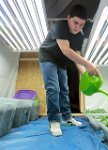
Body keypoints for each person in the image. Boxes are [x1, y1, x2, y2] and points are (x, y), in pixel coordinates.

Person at [39, 4, 99, 136]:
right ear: (68, 18)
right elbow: (66, 50)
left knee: (65, 89)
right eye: (75, 22)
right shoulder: (60, 26)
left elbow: (77, 58)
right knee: (54, 88)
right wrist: (89, 65)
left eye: (81, 24)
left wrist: (85, 74)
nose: (77, 27)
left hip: (61, 62)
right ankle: (54, 121)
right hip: (48, 57)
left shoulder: (79, 36)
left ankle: (67, 118)